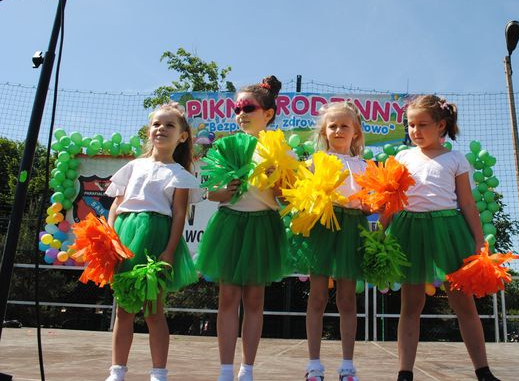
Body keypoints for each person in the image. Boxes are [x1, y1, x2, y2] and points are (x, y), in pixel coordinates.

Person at [387, 95, 500, 381]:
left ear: (441, 126)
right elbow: (392, 199)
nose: (415, 131)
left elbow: (468, 204)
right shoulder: (402, 157)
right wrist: (378, 231)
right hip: (409, 231)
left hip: (448, 231)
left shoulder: (455, 159)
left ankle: (483, 371)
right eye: (411, 125)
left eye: (422, 124)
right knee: (410, 306)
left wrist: (478, 240)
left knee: (464, 305)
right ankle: (404, 372)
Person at [195, 76, 288, 381]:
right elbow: (212, 192)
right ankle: (224, 369)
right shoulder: (225, 145)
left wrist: (277, 183)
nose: (241, 114)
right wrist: (228, 187)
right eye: (237, 108)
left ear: (268, 114)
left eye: (249, 107)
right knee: (228, 298)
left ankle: (246, 368)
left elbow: (286, 197)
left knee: (255, 301)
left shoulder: (280, 149)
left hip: (263, 226)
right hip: (232, 224)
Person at [105, 103, 201, 381]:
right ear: (149, 130)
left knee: (153, 310)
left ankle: (158, 373)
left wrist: (169, 251)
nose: (161, 129)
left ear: (182, 136)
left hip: (155, 237)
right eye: (157, 124)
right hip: (125, 237)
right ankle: (117, 371)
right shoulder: (133, 166)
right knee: (123, 309)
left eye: (170, 125)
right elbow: (116, 205)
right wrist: (111, 236)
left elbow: (179, 215)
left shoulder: (181, 175)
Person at [300, 101, 368, 381]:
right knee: (317, 296)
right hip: (323, 228)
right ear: (324, 132)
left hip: (352, 229)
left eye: (344, 126)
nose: (338, 130)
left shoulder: (364, 166)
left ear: (356, 133)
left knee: (347, 299)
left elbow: (371, 203)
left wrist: (367, 204)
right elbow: (301, 194)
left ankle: (347, 365)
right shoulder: (315, 161)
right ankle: (314, 365)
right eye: (333, 126)